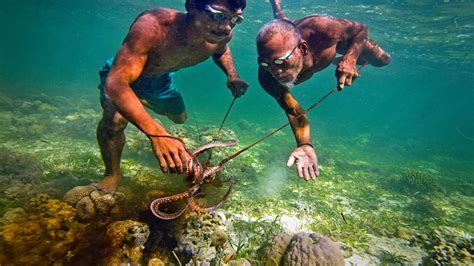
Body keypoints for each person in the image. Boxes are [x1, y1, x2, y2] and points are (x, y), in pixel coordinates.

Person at [96, 0, 249, 192]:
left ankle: (139, 103)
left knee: (180, 119)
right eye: (218, 15)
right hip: (124, 76)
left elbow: (222, 51)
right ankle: (112, 174)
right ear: (191, 7)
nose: (226, 26)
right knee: (114, 121)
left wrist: (232, 75)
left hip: (161, 80)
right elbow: (115, 83)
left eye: (235, 19)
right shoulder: (152, 26)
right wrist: (157, 132)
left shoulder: (221, 35)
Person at [257, 0, 391, 180]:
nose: (276, 72)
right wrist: (305, 144)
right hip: (294, 40)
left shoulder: (323, 29)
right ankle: (278, 8)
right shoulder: (267, 77)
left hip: (326, 42)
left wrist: (350, 59)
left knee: (383, 60)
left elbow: (361, 28)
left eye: (281, 61)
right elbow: (293, 110)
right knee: (284, 23)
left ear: (303, 49)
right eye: (266, 64)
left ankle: (277, 5)